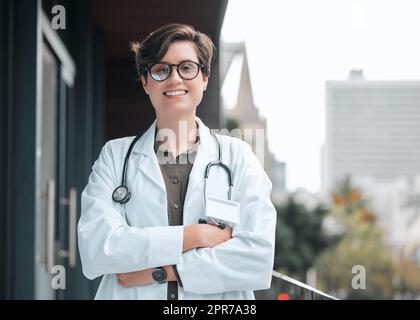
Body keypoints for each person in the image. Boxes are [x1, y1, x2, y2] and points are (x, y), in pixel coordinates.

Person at [77, 23, 276, 300]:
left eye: (187, 67)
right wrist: (194, 236)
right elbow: (97, 249)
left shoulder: (238, 158)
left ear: (204, 78)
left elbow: (257, 259)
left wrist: (160, 271)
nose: (175, 79)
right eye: (161, 70)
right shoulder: (115, 156)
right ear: (146, 82)